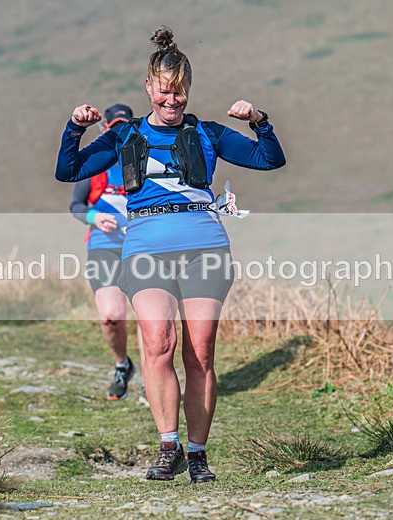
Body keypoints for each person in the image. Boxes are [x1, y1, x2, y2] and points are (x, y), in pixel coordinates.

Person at [56, 26, 285, 483]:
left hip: (205, 249)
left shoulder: (209, 132)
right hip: (145, 251)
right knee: (159, 344)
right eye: (164, 92)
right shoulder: (125, 137)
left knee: (200, 353)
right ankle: (168, 446)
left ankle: (198, 454)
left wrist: (259, 119)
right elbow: (69, 171)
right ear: (149, 87)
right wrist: (74, 128)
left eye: (179, 93)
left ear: (188, 91)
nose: (172, 101)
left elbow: (269, 159)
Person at [68, 103, 144, 402]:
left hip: (141, 246)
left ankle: (153, 378)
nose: (121, 133)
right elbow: (75, 206)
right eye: (115, 128)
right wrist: (94, 218)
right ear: (105, 130)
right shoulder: (95, 163)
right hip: (103, 245)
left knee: (150, 318)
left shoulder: (145, 161)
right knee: (112, 317)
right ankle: (123, 365)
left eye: (126, 127)